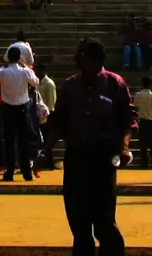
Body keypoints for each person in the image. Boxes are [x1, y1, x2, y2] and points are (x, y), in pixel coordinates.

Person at [49, 37, 136, 256]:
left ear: (97, 59)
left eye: (84, 56)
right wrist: (45, 149)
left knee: (104, 219)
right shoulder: (70, 85)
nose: (79, 59)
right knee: (78, 222)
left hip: (103, 159)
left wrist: (124, 148)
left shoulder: (114, 83)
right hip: (76, 157)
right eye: (79, 55)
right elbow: (59, 120)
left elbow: (128, 119)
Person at [0, 46, 40, 182]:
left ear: (8, 58)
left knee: (9, 142)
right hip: (22, 108)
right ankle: (26, 172)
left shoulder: (3, 72)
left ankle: (10, 171)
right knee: (24, 141)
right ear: (19, 58)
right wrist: (26, 66)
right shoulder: (25, 72)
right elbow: (36, 82)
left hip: (8, 109)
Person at [133, 76, 152, 169]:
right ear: (151, 84)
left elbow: (135, 105)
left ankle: (144, 166)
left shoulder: (138, 95)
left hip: (142, 122)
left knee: (143, 146)